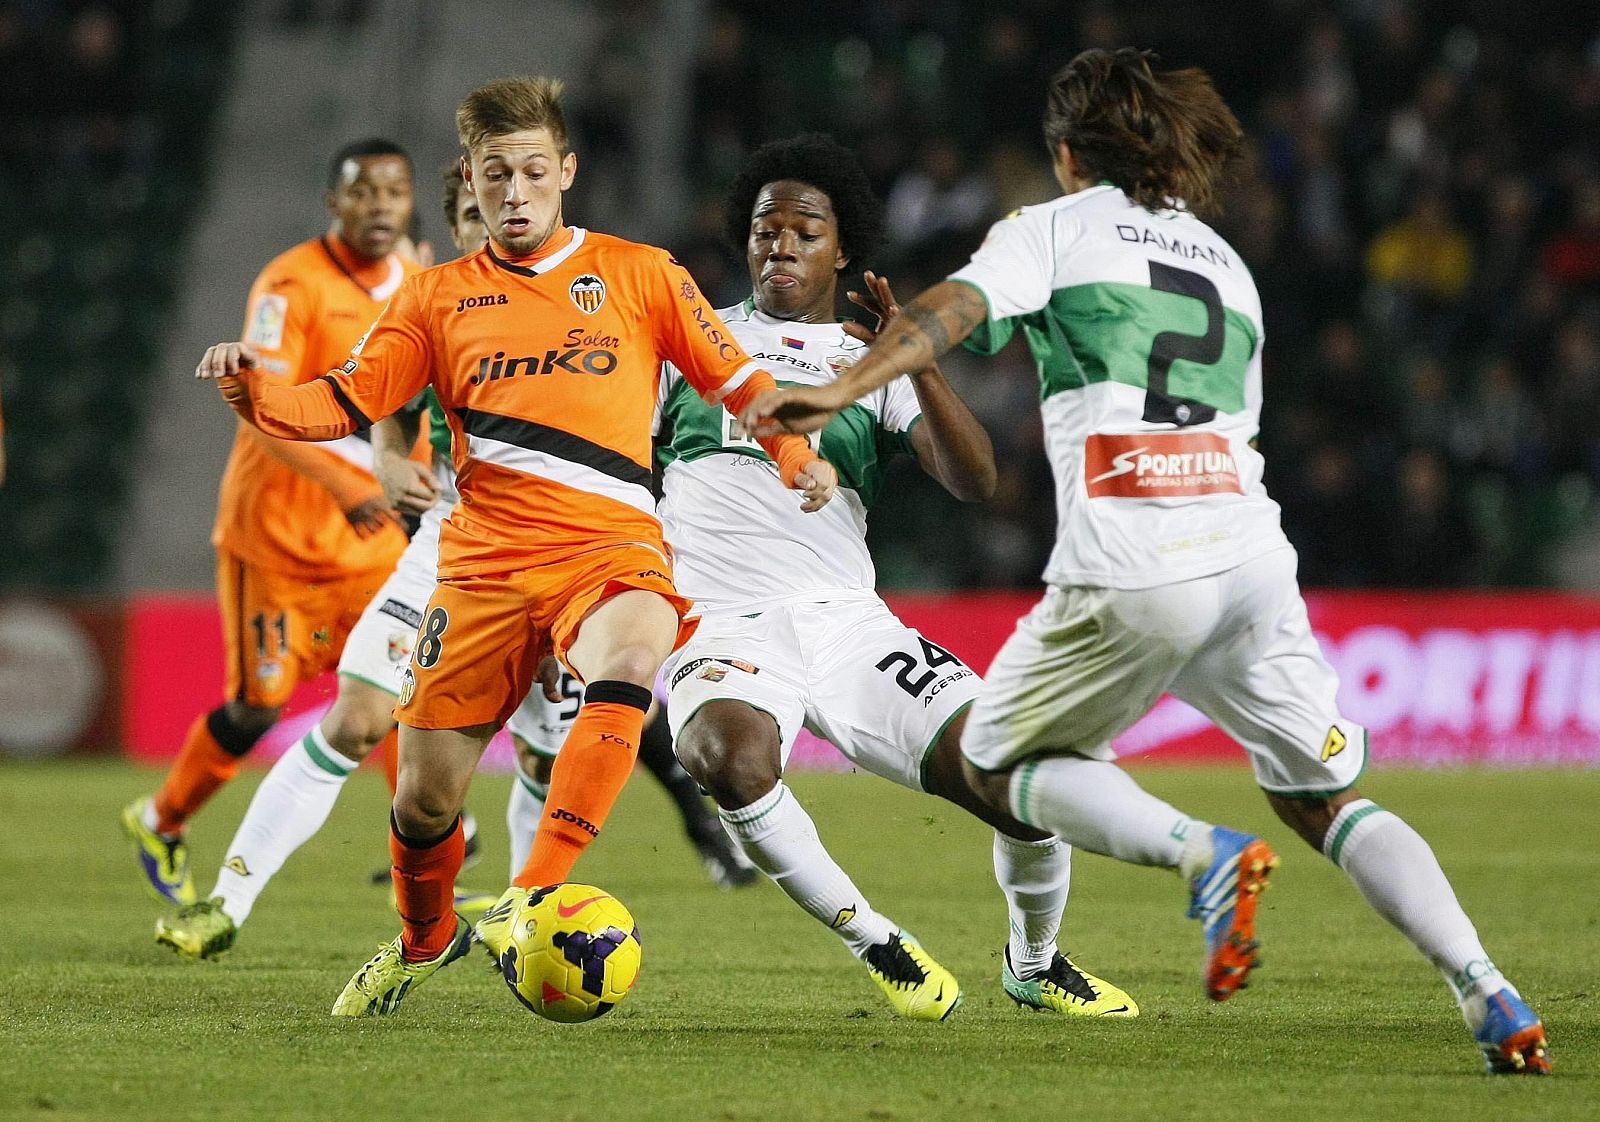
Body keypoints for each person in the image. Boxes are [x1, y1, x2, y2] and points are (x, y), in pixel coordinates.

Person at [744, 49, 1549, 1075]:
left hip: (1135, 554)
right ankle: (1485, 987)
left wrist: (841, 387)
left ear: (1070, 153)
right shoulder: (1224, 263)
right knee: (1324, 798)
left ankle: (1197, 859)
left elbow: (947, 312)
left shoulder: (1051, 228)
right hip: (1251, 553)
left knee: (997, 763)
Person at [196, 76, 834, 1017]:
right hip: (482, 564)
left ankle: (532, 892)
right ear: (472, 179)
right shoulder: (434, 298)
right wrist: (257, 397)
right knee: (420, 807)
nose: (518, 190)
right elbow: (344, 399)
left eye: (536, 170)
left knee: (634, 650)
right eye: (498, 174)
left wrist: (791, 452)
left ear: (566, 172)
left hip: (606, 546)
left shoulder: (643, 273)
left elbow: (737, 380)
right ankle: (424, 940)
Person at [662, 133, 1134, 1021]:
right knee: (729, 756)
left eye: (806, 230)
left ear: (842, 251)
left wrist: (917, 358)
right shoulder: (688, 343)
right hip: (717, 618)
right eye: (767, 227)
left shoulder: (866, 363)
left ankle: (1033, 960)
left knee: (1022, 777)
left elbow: (975, 481)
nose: (782, 245)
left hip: (846, 622)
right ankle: (874, 938)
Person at [121, 138, 421, 907]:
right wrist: (347, 486)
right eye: (363, 192)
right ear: (334, 202)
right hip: (278, 541)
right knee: (256, 706)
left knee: (399, 687)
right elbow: (260, 410)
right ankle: (161, 816)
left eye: (393, 191)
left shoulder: (420, 286)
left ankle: (419, 851)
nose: (379, 206)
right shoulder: (290, 286)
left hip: (370, 547)